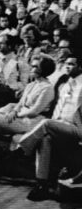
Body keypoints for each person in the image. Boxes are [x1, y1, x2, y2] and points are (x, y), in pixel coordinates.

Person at [18, 56, 82, 201]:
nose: (67, 66)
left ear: (80, 67)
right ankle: (41, 185)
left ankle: (22, 149)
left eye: (71, 64)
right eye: (66, 64)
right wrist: (56, 122)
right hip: (60, 125)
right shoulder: (65, 83)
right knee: (45, 139)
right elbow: (59, 106)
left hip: (77, 128)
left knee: (46, 123)